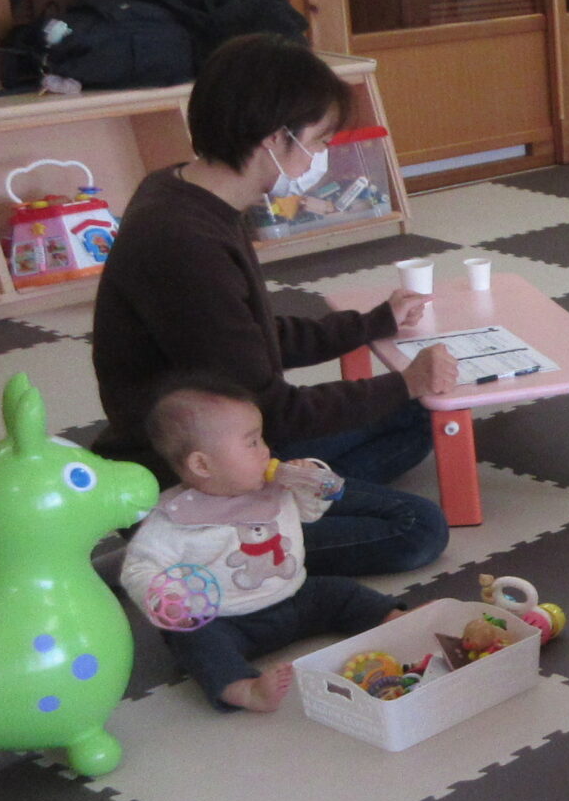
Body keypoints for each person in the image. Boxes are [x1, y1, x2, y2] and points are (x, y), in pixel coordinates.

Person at [91, 34, 451, 579]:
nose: (322, 156)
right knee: (417, 528)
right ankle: (188, 542)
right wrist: (405, 381)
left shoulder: (185, 191)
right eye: (320, 140)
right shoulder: (183, 242)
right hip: (189, 467)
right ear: (274, 137)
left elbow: (250, 336)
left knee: (416, 421)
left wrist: (369, 325)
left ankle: (273, 509)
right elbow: (273, 408)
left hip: (236, 436)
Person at [118, 380, 399, 713]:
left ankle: (392, 617)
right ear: (202, 465)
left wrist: (312, 480)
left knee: (340, 593)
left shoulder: (272, 487)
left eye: (261, 438)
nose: (266, 450)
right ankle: (245, 689)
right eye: (251, 443)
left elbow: (312, 512)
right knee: (195, 643)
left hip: (293, 596)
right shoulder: (174, 520)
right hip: (226, 621)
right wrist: (170, 596)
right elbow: (138, 566)